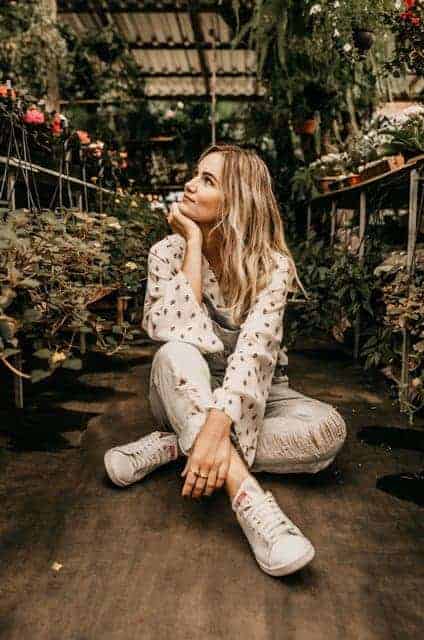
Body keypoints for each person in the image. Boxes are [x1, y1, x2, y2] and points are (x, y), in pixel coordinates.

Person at [104, 143, 347, 577]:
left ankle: (179, 445)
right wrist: (193, 242)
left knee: (326, 433)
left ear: (237, 200)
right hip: (183, 384)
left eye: (208, 181)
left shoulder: (271, 265)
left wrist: (216, 426)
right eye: (196, 174)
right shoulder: (166, 252)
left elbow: (255, 356)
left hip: (259, 394)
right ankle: (251, 502)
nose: (191, 185)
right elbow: (176, 333)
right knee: (175, 355)